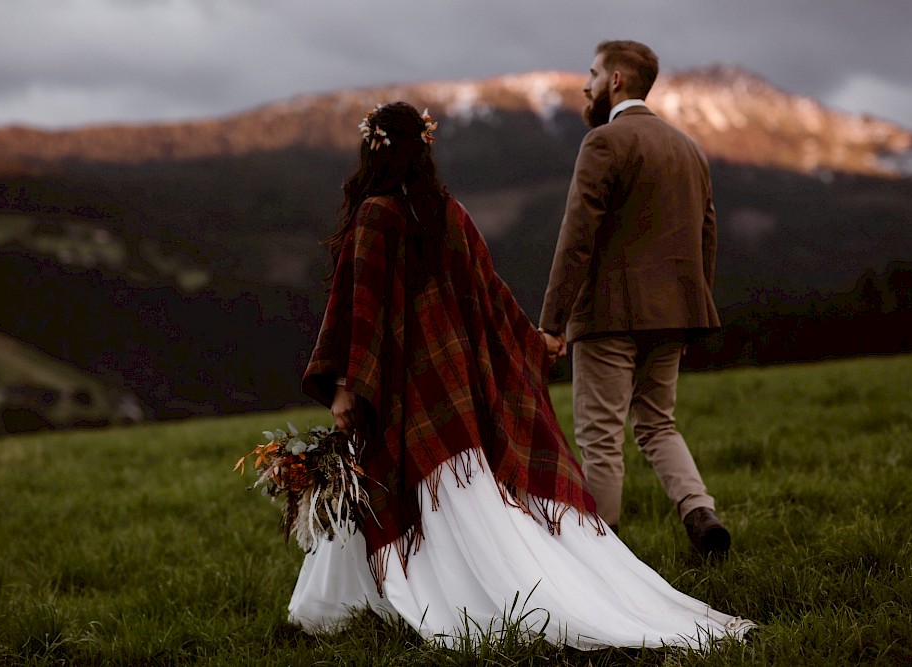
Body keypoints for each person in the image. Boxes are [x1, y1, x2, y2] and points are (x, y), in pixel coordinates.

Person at [290, 101, 753, 649]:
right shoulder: (450, 212)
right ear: (426, 149)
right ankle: (396, 596)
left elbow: (359, 312)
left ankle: (414, 599)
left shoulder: (374, 215)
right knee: (454, 498)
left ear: (372, 148)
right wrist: (535, 342)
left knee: (400, 488)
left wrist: (345, 386)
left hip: (399, 382)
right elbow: (494, 296)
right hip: (455, 381)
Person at [539, 40, 730, 556]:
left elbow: (576, 237)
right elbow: (705, 237)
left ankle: (604, 557)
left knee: (601, 438)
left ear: (616, 81)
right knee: (657, 422)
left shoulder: (604, 143)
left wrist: (553, 323)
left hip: (608, 317)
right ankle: (699, 511)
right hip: (675, 315)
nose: (586, 83)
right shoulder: (689, 148)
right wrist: (693, 313)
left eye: (594, 72)